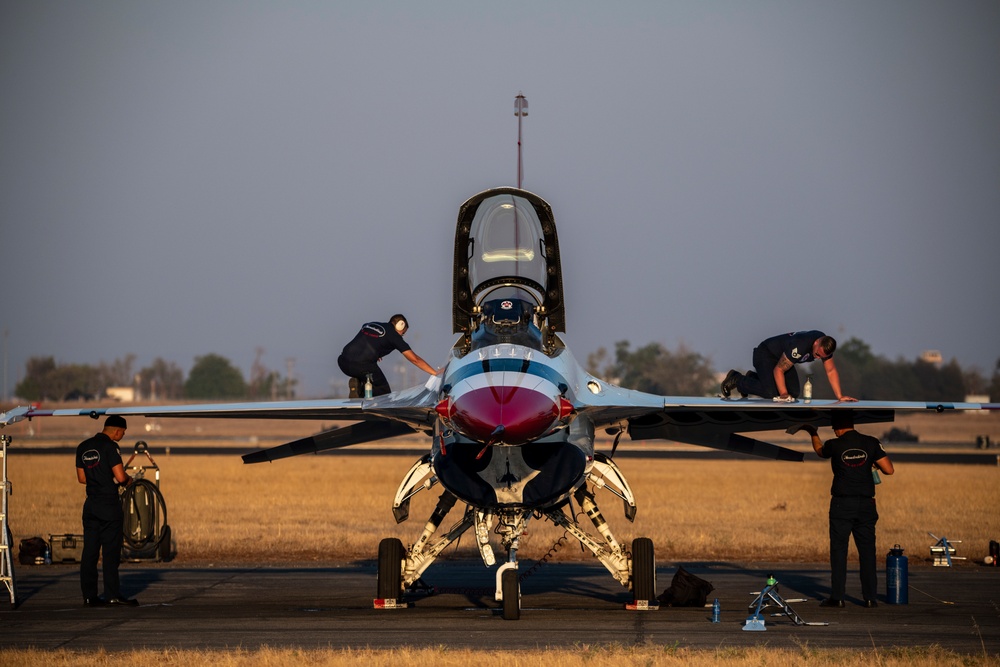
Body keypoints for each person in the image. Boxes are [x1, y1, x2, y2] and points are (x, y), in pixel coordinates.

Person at [798, 410, 894, 608]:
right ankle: (870, 598)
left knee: (839, 551)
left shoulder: (835, 444)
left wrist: (812, 433)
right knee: (867, 551)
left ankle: (838, 597)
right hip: (867, 504)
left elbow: (819, 451)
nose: (834, 432)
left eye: (834, 429)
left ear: (838, 428)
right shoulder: (871, 442)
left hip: (842, 504)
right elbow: (889, 469)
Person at [75, 415, 139, 607]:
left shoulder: (83, 447)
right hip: (108, 505)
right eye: (123, 433)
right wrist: (130, 481)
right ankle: (112, 594)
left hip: (91, 505)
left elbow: (82, 479)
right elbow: (120, 477)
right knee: (110, 552)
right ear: (117, 431)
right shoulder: (111, 447)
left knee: (90, 553)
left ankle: (89, 596)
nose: (123, 435)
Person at [721, 330, 857, 402]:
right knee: (773, 394)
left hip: (783, 360)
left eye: (822, 357)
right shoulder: (800, 346)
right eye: (817, 354)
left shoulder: (824, 345)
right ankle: (737, 379)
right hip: (766, 354)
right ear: (816, 343)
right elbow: (778, 369)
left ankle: (754, 379)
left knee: (794, 393)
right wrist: (783, 394)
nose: (818, 358)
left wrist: (840, 396)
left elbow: (831, 370)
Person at [337, 314, 437, 397]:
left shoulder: (369, 324)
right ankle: (377, 416)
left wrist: (375, 353)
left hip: (343, 362)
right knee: (383, 394)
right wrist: (435, 373)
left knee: (367, 376)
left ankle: (358, 386)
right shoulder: (394, 336)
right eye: (403, 333)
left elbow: (368, 342)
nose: (402, 336)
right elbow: (415, 359)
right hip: (362, 366)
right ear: (400, 326)